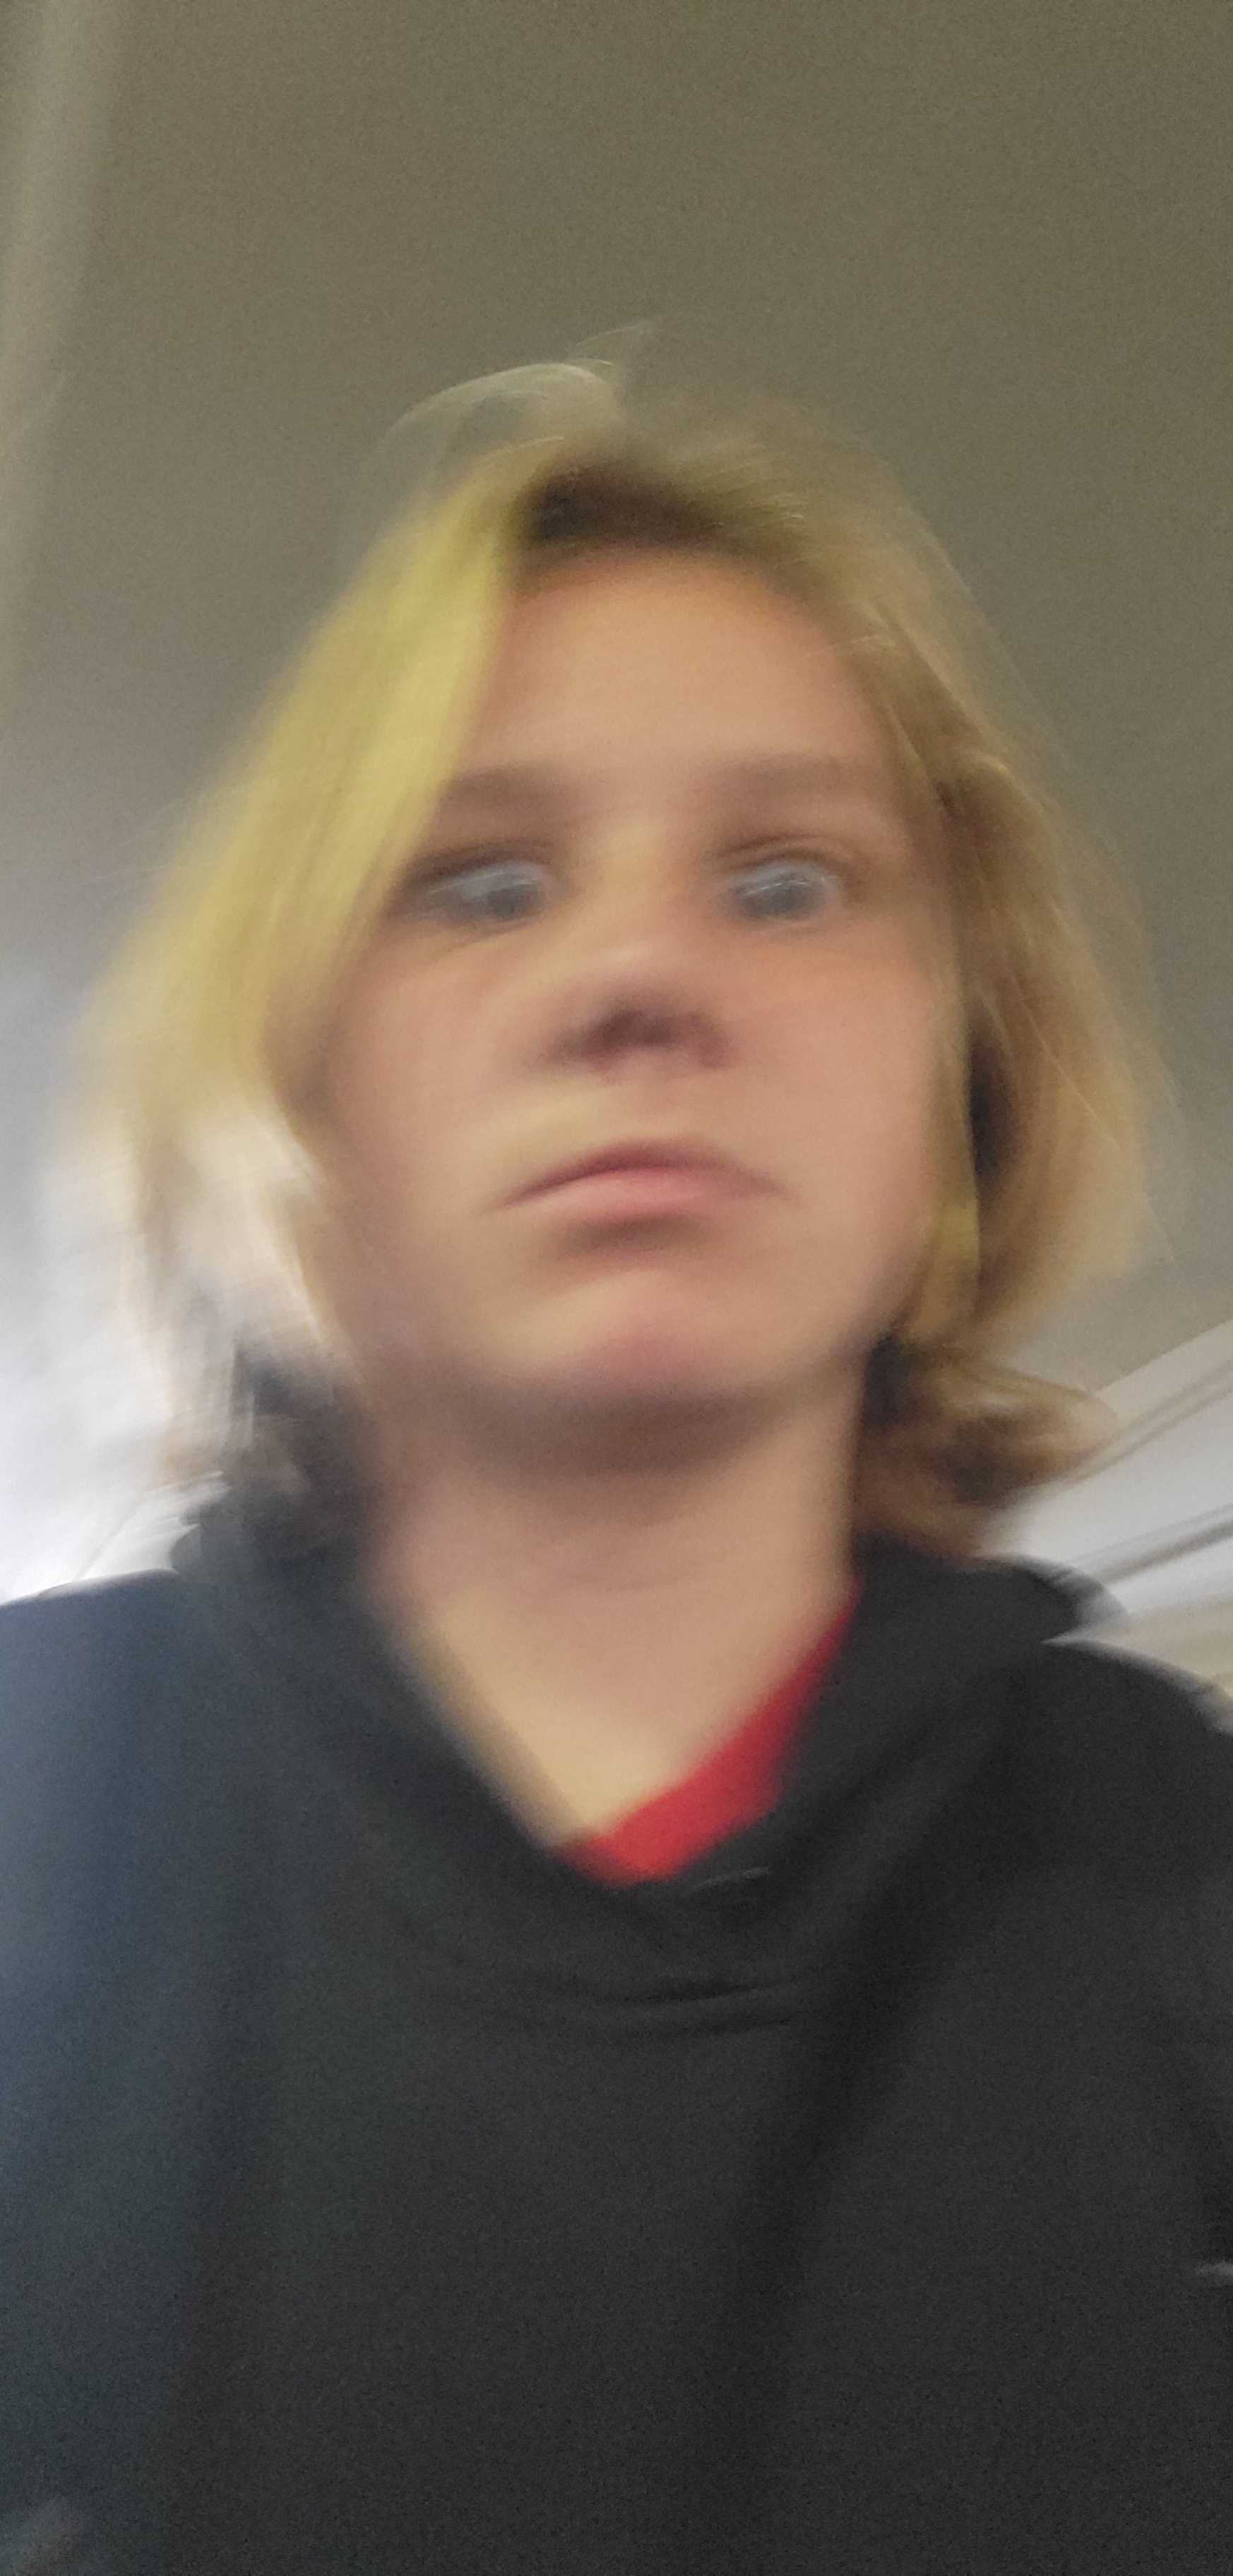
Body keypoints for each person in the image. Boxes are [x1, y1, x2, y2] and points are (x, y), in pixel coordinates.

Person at [2, 363, 1232, 2575]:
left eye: (786, 880)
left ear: (955, 1083)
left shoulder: (1186, 1867)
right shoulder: (29, 1795)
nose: (641, 972)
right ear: (302, 1071)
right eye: (480, 885)